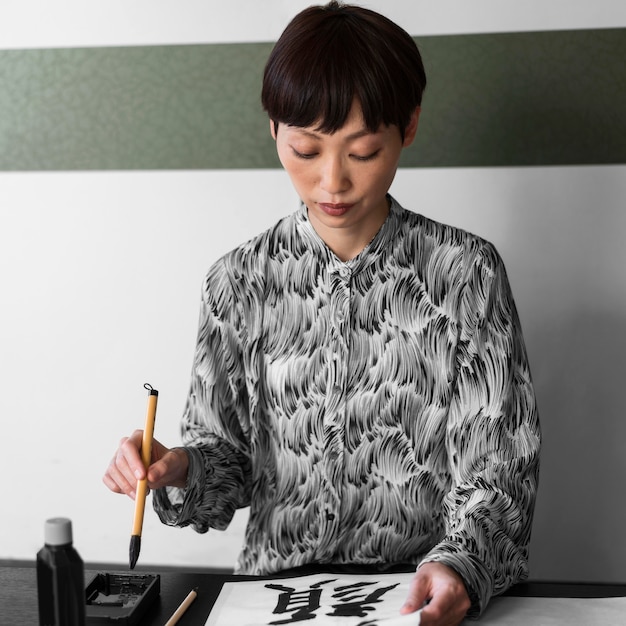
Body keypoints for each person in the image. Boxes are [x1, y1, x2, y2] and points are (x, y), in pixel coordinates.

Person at [103, 2, 540, 624]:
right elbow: (226, 467)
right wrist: (178, 468)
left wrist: (461, 565)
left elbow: (499, 469)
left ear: (408, 127)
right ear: (274, 129)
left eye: (362, 152)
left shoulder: (465, 275)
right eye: (306, 150)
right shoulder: (240, 280)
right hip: (273, 597)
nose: (331, 182)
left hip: (412, 597)